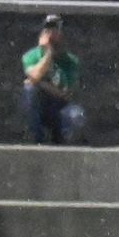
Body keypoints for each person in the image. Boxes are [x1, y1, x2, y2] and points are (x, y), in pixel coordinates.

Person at [21, 15, 85, 145]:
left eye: (56, 29)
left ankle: (63, 144)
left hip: (60, 108)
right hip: (38, 108)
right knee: (29, 90)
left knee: (77, 116)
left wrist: (41, 84)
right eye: (48, 29)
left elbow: (66, 94)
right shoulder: (30, 56)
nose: (52, 33)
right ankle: (36, 140)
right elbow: (34, 76)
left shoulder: (70, 61)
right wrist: (48, 52)